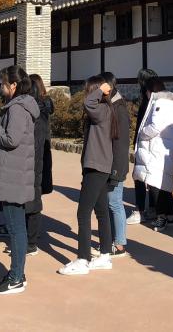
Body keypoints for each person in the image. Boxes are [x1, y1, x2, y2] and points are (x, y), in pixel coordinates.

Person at [0, 65, 40, 295]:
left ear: (14, 85)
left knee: (16, 228)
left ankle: (16, 277)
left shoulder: (17, 108)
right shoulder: (22, 105)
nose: (1, 87)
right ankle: (17, 273)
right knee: (16, 227)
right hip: (15, 173)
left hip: (12, 175)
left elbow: (11, 139)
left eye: (4, 83)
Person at [59, 76, 117, 275]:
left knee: (83, 213)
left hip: (96, 167)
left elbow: (87, 103)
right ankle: (105, 255)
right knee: (101, 211)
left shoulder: (100, 109)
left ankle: (83, 259)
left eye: (88, 89)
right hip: (100, 166)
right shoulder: (106, 110)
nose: (85, 93)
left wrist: (100, 90)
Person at [133, 78, 173, 232]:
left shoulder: (159, 103)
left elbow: (155, 126)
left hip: (156, 148)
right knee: (165, 183)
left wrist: (142, 133)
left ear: (150, 91)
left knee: (155, 184)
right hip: (168, 147)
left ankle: (161, 216)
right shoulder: (172, 104)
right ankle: (170, 215)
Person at [24, 73, 54, 256]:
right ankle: (29, 235)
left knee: (33, 199)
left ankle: (31, 240)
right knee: (33, 196)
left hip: (35, 158)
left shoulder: (37, 110)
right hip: (42, 156)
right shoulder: (43, 105)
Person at [127, 68, 159, 224]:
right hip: (145, 144)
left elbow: (154, 125)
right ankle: (152, 209)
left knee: (142, 177)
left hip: (149, 144)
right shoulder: (147, 97)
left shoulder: (154, 100)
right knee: (145, 176)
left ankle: (141, 210)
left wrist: (142, 135)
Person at [105, 71, 131, 257]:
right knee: (109, 203)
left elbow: (121, 145)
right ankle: (113, 240)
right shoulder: (112, 105)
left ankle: (120, 244)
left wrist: (116, 170)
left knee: (115, 203)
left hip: (116, 165)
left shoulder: (119, 109)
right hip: (111, 164)